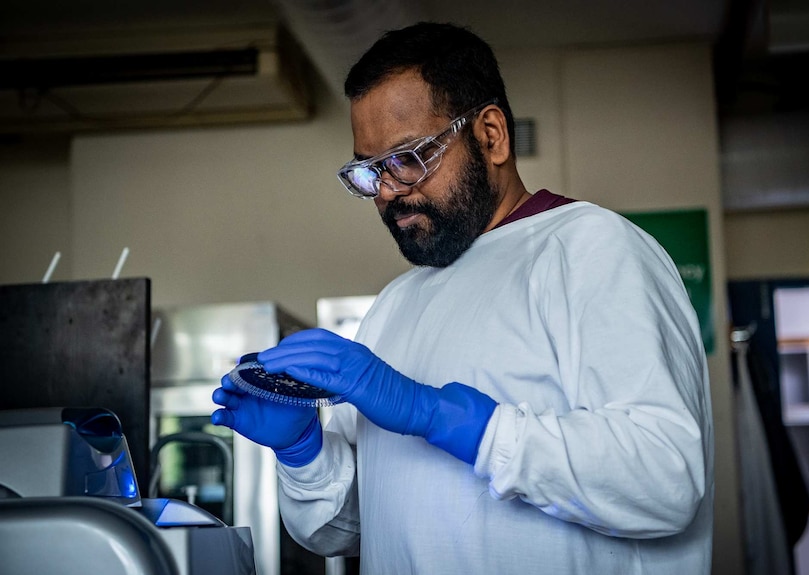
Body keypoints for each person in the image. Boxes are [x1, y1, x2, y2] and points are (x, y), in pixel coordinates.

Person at [212, 21, 714, 574]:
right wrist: (304, 452)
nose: (387, 191)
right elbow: (350, 530)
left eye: (408, 157)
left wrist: (442, 417)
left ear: (492, 135)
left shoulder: (591, 249)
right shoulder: (395, 305)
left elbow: (666, 480)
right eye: (369, 170)